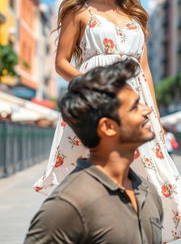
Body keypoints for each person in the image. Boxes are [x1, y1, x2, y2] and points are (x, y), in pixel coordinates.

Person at [33, 0, 181, 242]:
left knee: (149, 175)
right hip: (98, 101)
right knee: (96, 171)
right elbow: (60, 63)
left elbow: (144, 70)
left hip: (136, 103)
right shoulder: (79, 12)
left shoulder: (136, 15)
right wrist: (96, 90)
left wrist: (156, 117)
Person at [24, 60, 163, 244]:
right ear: (108, 127)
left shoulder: (148, 191)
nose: (147, 110)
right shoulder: (68, 204)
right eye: (135, 106)